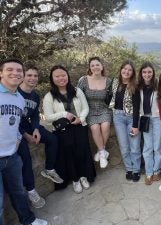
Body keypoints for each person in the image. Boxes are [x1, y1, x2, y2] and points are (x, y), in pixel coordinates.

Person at [0, 59, 48, 225]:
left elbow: (15, 123)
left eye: (19, 70)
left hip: (11, 156)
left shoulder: (18, 99)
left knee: (19, 193)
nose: (15, 73)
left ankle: (28, 221)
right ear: (1, 73)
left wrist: (20, 137)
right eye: (10, 70)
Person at [43, 65, 96, 194]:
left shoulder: (77, 91)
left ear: (67, 76)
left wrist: (81, 118)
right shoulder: (49, 96)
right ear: (52, 78)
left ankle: (84, 176)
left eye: (63, 75)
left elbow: (85, 107)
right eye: (57, 76)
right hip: (63, 130)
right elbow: (48, 117)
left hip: (79, 126)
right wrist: (63, 114)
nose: (61, 78)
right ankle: (75, 179)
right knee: (69, 154)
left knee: (81, 151)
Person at [17, 65, 63, 209]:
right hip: (17, 131)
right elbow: (11, 120)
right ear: (23, 76)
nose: (32, 78)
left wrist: (36, 129)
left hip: (30, 127)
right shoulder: (15, 93)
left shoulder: (35, 95)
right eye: (29, 75)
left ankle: (49, 169)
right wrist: (26, 135)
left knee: (53, 139)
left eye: (35, 76)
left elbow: (35, 115)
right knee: (25, 156)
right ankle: (31, 191)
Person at [109, 60, 141, 182]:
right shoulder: (115, 82)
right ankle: (129, 169)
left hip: (131, 117)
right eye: (125, 69)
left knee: (134, 146)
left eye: (129, 70)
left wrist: (135, 125)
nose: (126, 71)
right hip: (118, 117)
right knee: (124, 146)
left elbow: (137, 106)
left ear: (132, 73)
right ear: (121, 69)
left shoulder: (135, 85)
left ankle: (136, 170)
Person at [78, 57, 112, 168]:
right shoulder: (83, 80)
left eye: (97, 65)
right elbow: (77, 97)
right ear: (90, 68)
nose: (95, 67)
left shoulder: (108, 81)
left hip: (104, 109)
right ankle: (103, 152)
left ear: (102, 66)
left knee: (106, 126)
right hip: (89, 110)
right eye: (92, 65)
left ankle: (100, 151)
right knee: (95, 128)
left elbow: (112, 98)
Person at [137, 62, 161, 185]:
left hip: (157, 119)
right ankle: (148, 173)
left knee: (157, 147)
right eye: (144, 72)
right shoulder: (138, 87)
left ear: (153, 73)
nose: (147, 74)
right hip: (145, 119)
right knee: (148, 147)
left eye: (149, 72)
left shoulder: (158, 85)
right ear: (141, 73)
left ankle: (157, 170)